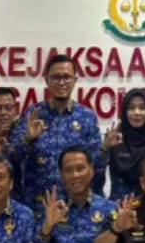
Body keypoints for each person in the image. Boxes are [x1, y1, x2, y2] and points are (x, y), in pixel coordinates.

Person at [12, 54, 104, 210]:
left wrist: (106, 150)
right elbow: (12, 159)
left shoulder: (87, 117)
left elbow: (94, 165)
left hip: (75, 207)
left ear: (75, 80)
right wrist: (27, 140)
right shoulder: (32, 114)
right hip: (37, 205)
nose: (61, 82)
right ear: (46, 80)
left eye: (66, 77)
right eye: (55, 77)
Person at [96, 88, 145, 200]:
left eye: (142, 108)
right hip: (118, 207)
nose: (137, 112)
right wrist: (104, 149)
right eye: (131, 108)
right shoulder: (115, 140)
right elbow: (95, 181)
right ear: (124, 112)